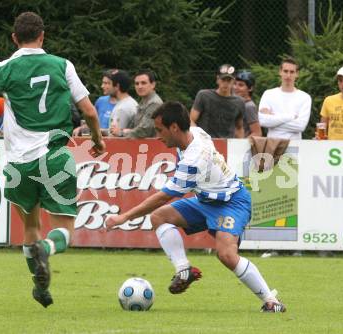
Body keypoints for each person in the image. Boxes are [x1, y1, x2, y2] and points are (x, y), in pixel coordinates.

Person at [0, 11, 105, 308]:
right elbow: (90, 112)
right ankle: (47, 249)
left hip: (19, 165)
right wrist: (97, 140)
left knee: (30, 228)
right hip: (55, 157)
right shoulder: (62, 65)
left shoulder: (2, 69)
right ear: (42, 36)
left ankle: (40, 286)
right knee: (64, 231)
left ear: (14, 38)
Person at [105, 101, 286, 313]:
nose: (157, 135)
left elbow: (163, 197)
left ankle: (271, 301)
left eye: (159, 130)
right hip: (205, 200)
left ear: (174, 128)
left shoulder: (193, 159)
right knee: (159, 217)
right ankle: (184, 270)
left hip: (232, 202)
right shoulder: (195, 132)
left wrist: (123, 217)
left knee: (226, 255)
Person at [258, 57, 311, 139]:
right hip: (272, 145)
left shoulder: (305, 97)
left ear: (297, 74)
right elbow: (263, 121)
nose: (288, 75)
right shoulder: (268, 94)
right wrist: (291, 117)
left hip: (295, 146)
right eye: (285, 71)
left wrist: (273, 119)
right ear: (280, 72)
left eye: (292, 72)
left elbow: (300, 126)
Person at [190, 64, 245, 138]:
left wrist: (240, 145)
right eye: (223, 80)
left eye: (228, 80)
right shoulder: (204, 95)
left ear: (233, 81)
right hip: (205, 142)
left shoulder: (239, 102)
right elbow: (191, 120)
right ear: (217, 79)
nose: (225, 83)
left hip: (228, 145)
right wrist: (199, 137)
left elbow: (239, 128)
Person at [120, 70, 163, 138]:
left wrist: (121, 133)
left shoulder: (154, 103)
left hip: (152, 146)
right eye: (137, 84)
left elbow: (144, 131)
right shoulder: (143, 102)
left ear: (153, 85)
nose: (139, 86)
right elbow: (133, 127)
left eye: (143, 83)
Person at [319, 65, 343, 140]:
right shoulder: (329, 100)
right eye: (340, 80)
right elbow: (322, 128)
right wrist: (320, 138)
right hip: (332, 149)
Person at [108, 70, 138, 137]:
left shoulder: (122, 109)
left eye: (110, 84)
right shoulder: (132, 102)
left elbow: (114, 135)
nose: (108, 87)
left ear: (117, 86)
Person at [234, 70, 262, 137]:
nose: (236, 88)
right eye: (235, 84)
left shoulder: (249, 106)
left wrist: (241, 145)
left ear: (250, 88)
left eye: (241, 85)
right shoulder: (236, 103)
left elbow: (257, 133)